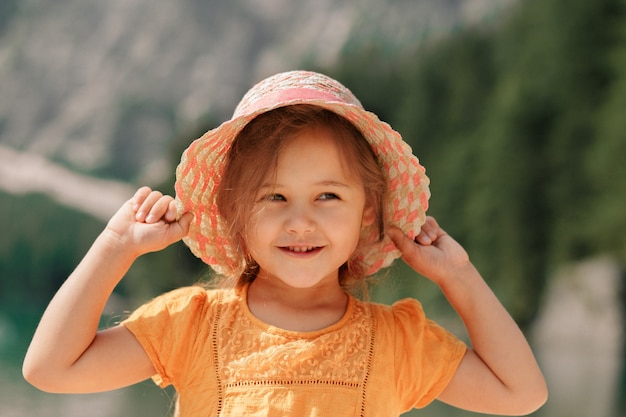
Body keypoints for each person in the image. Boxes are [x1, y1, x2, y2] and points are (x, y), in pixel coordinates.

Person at [22, 70, 547, 416]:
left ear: (368, 213)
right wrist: (115, 247)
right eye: (273, 196)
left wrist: (459, 276)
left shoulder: (397, 343)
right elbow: (49, 369)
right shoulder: (192, 325)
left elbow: (522, 393)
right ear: (233, 213)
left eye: (327, 197)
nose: (300, 221)